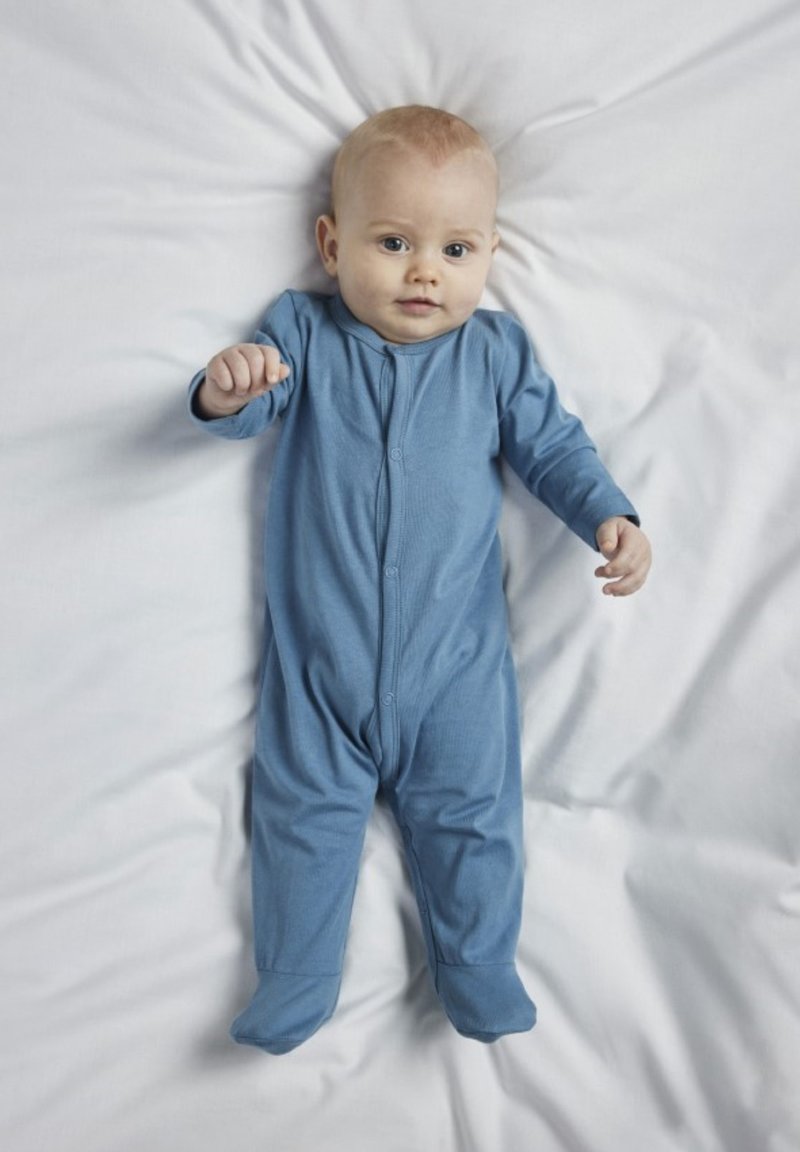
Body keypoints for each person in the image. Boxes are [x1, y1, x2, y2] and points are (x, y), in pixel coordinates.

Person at [188, 105, 652, 1054]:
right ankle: (296, 976)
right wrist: (225, 389)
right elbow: (251, 406)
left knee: (475, 816)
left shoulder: (494, 354)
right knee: (302, 817)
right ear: (332, 245)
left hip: (456, 670)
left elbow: (554, 449)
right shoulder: (303, 334)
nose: (423, 272)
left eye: (455, 248)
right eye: (393, 242)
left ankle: (479, 967)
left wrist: (610, 514)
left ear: (490, 254)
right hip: (321, 670)